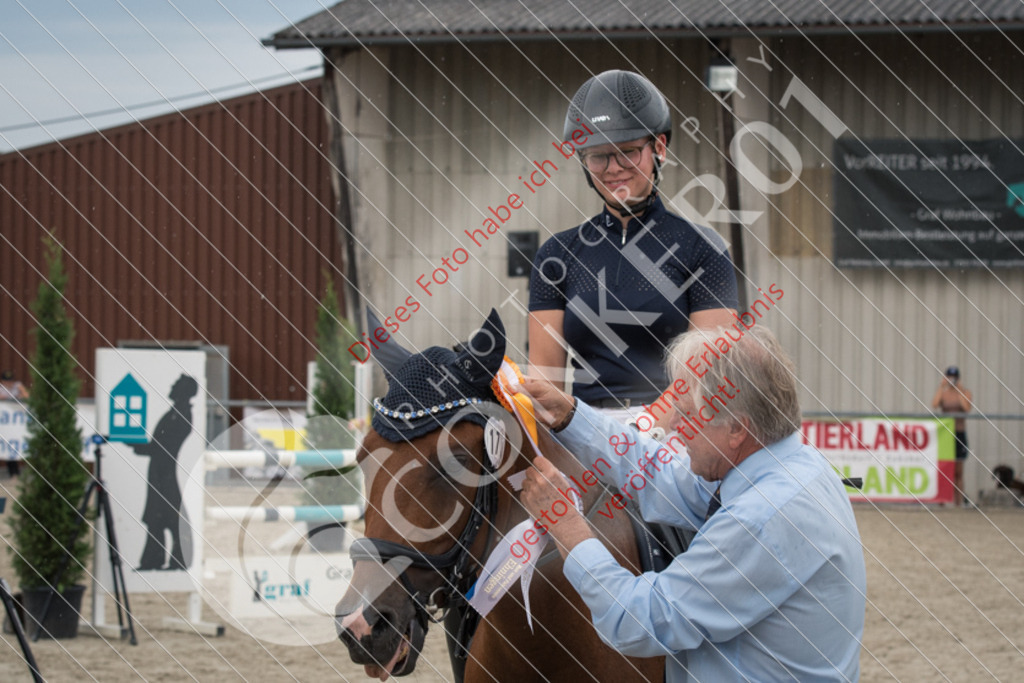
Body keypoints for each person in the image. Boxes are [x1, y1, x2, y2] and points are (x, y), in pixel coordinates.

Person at [518, 325, 866, 681]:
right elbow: (660, 471)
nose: (674, 427)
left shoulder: (760, 519)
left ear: (736, 430)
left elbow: (639, 621)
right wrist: (571, 416)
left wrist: (567, 526)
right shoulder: (791, 466)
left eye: (686, 414)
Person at [528, 70, 739, 419]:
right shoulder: (556, 256)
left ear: (658, 148)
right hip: (584, 436)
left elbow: (707, 375)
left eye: (627, 152)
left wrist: (638, 433)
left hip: (676, 439)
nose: (613, 168)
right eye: (598, 156)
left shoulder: (703, 249)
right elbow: (545, 380)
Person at [133, 374, 198, 571]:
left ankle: (173, 559)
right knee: (158, 517)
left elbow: (165, 446)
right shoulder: (176, 413)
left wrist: (142, 447)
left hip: (165, 472)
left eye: (176, 384)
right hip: (160, 472)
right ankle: (156, 559)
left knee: (167, 515)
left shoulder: (181, 415)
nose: (171, 387)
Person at [931, 365, 972, 507]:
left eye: (954, 377)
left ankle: (958, 503)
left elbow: (966, 408)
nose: (951, 380)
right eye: (949, 377)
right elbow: (935, 404)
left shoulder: (965, 392)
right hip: (945, 434)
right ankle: (941, 502)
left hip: (959, 432)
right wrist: (942, 387)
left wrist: (959, 390)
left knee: (958, 471)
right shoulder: (944, 393)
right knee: (943, 468)